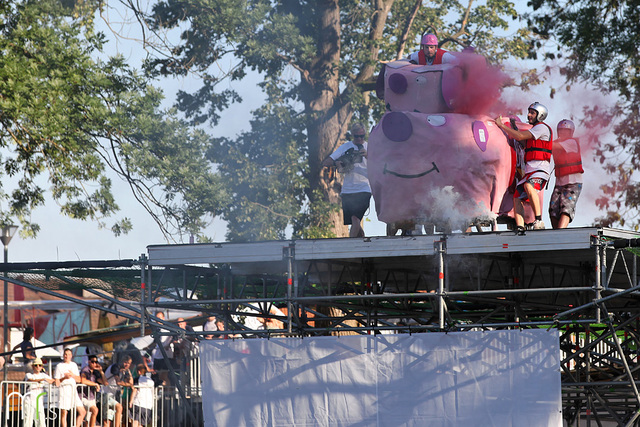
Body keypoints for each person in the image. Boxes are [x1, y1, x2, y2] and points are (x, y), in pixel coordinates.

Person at [495, 102, 553, 232]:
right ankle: (520, 227)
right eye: (529, 112)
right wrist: (514, 130)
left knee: (528, 186)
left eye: (532, 113)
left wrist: (501, 125)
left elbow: (520, 136)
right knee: (517, 196)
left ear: (540, 115)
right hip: (530, 171)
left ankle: (538, 220)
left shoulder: (542, 128)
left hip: (540, 170)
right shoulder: (534, 131)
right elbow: (523, 141)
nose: (529, 115)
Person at [322, 123, 371, 238]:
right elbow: (326, 162)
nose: (359, 139)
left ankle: (350, 244)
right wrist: (337, 163)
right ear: (352, 135)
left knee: (355, 218)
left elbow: (382, 163)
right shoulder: (345, 147)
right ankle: (363, 243)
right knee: (356, 223)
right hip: (348, 190)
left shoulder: (370, 147)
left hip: (364, 188)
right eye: (356, 137)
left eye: (362, 136)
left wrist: (369, 156)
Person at [549, 119, 584, 228]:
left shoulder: (571, 143)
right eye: (561, 130)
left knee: (566, 209)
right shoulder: (555, 143)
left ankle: (560, 233)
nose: (563, 133)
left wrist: (540, 140)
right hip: (559, 183)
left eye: (566, 131)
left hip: (573, 182)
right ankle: (556, 235)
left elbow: (550, 146)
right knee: (553, 210)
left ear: (571, 132)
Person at [54, 348, 87, 427]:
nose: (67, 356)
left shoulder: (74, 365)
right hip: (64, 390)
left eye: (68, 354)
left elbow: (79, 379)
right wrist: (65, 378)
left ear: (71, 356)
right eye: (65, 354)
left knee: (82, 412)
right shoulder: (59, 366)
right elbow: (57, 381)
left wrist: (73, 375)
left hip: (73, 390)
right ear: (63, 355)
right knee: (64, 412)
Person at [23, 357, 54, 427]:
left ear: (42, 367)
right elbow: (29, 380)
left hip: (39, 402)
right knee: (28, 421)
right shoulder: (29, 375)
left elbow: (53, 381)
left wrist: (63, 378)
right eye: (36, 365)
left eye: (39, 365)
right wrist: (42, 379)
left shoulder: (44, 375)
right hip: (29, 401)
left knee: (41, 422)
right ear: (32, 366)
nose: (37, 367)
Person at [95, 358, 123, 427]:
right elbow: (116, 381)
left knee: (108, 419)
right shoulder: (114, 367)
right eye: (125, 362)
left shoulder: (123, 372)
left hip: (112, 396)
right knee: (118, 407)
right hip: (105, 395)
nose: (127, 365)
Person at [79, 355, 104, 427]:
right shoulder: (85, 370)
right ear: (89, 362)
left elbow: (105, 383)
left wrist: (101, 371)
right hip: (84, 396)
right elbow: (83, 380)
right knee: (95, 410)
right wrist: (95, 384)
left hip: (92, 397)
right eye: (92, 362)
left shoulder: (95, 372)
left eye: (96, 362)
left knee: (89, 419)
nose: (94, 364)